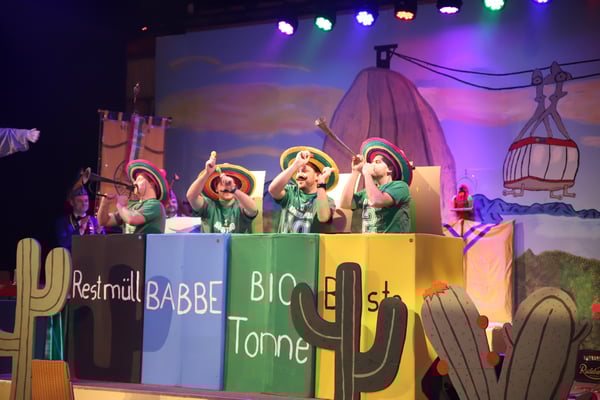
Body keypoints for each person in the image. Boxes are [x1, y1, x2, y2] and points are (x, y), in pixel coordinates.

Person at [340, 137, 412, 233]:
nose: (372, 164)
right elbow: (345, 203)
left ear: (389, 169)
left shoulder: (400, 186)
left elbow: (377, 201)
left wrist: (367, 173)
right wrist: (355, 171)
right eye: (372, 162)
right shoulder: (367, 192)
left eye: (377, 162)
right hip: (370, 242)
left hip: (392, 242)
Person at [268, 146, 338, 233]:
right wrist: (296, 164)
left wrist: (321, 183)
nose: (299, 175)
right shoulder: (291, 192)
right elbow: (273, 190)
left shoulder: (327, 200)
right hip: (283, 242)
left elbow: (323, 218)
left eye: (304, 171)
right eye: (297, 171)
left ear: (317, 175)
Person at [186, 154, 258, 233]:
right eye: (222, 184)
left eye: (229, 183)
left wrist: (233, 189)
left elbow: (253, 210)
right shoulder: (208, 205)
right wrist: (207, 173)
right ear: (216, 188)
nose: (226, 188)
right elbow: (191, 197)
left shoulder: (241, 206)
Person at [97, 159, 167, 234]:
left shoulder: (155, 205)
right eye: (135, 180)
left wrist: (120, 204)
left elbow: (132, 219)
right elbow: (104, 221)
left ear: (152, 184)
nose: (134, 183)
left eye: (139, 179)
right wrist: (104, 204)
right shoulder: (131, 206)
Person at [55, 185, 104, 250]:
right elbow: (63, 243)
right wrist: (79, 229)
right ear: (72, 203)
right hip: (72, 256)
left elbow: (103, 245)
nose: (84, 204)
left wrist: (99, 233)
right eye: (79, 201)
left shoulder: (95, 221)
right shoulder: (63, 222)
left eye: (86, 201)